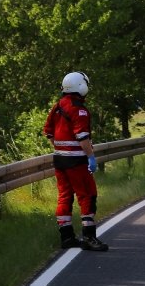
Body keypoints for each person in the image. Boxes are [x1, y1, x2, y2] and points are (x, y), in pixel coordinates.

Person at [43, 71, 107, 252]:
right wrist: (90, 157)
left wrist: (61, 148)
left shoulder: (57, 107)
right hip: (76, 161)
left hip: (59, 160)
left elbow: (49, 132)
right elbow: (83, 138)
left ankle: (67, 237)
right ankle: (89, 237)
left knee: (64, 197)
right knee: (87, 194)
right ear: (81, 86)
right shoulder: (79, 109)